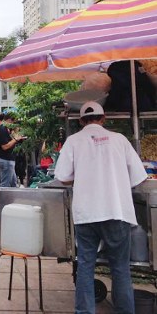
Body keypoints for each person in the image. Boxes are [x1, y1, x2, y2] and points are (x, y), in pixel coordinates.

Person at [54, 101, 147, 314]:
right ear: (103, 118)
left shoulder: (74, 141)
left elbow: (62, 177)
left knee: (86, 266)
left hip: (87, 214)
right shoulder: (120, 140)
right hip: (117, 211)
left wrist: (84, 175)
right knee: (120, 268)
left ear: (81, 121)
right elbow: (138, 177)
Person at [0, 113, 25, 187]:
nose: (14, 124)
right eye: (13, 122)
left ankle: (12, 198)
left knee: (13, 183)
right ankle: (3, 198)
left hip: (7, 160)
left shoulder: (5, 129)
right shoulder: (2, 129)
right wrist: (15, 139)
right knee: (5, 184)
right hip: (5, 159)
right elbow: (5, 146)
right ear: (9, 120)